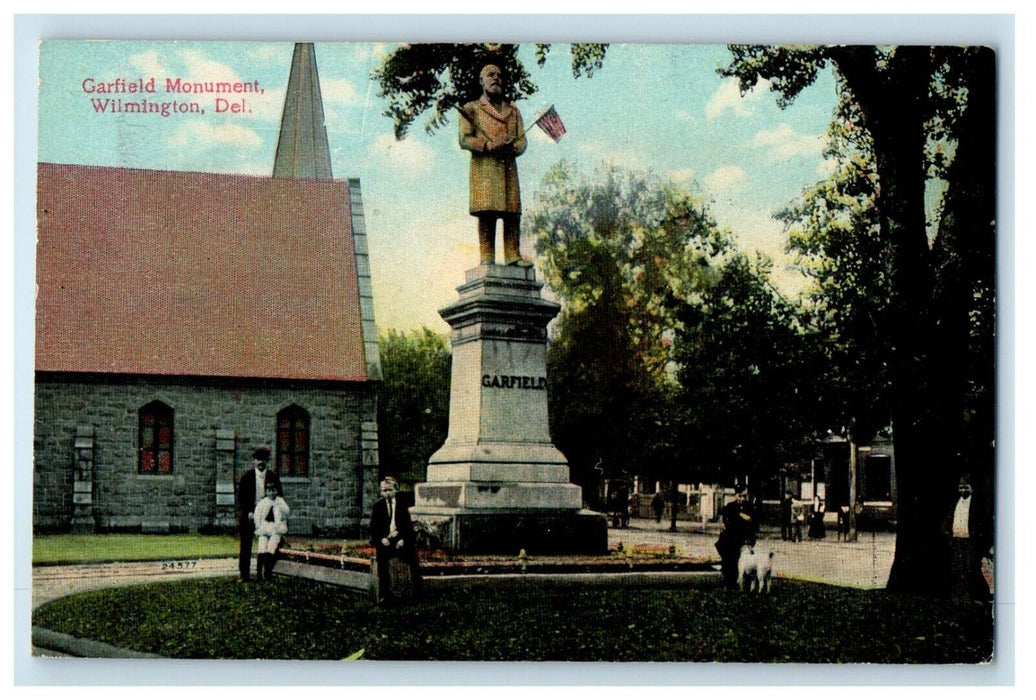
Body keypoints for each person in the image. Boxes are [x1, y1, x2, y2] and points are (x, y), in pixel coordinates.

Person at [458, 64, 530, 267]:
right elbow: (464, 139)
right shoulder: (470, 109)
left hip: (508, 168)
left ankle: (512, 255)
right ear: (481, 81)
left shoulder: (513, 111)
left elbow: (522, 141)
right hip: (485, 169)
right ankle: (487, 257)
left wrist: (511, 147)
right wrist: (487, 145)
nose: (496, 78)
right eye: (490, 75)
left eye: (499, 75)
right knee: (487, 211)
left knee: (511, 212)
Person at [369, 476, 422, 604]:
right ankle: (385, 595)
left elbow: (408, 527)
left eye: (389, 490)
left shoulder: (402, 506)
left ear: (395, 490)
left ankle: (417, 592)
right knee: (382, 562)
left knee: (413, 558)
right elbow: (373, 529)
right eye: (384, 490)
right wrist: (381, 539)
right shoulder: (377, 506)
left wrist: (403, 539)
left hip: (400, 540)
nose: (387, 493)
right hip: (385, 541)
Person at [236, 446, 282, 582]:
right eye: (258, 459)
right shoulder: (247, 477)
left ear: (267, 461)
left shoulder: (273, 477)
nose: (260, 462)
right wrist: (248, 512)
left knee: (268, 545)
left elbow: (279, 497)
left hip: (268, 517)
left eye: (263, 460)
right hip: (250, 515)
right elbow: (241, 498)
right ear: (254, 461)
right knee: (246, 545)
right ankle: (244, 574)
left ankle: (265, 573)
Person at [945, 475, 992, 602]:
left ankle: (980, 596)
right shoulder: (955, 503)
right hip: (957, 542)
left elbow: (985, 526)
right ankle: (959, 597)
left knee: (972, 569)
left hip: (970, 542)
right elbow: (948, 521)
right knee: (958, 569)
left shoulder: (978, 506)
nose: (963, 490)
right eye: (960, 487)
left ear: (971, 488)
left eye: (966, 487)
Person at [715, 485, 757, 588]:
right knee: (729, 559)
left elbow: (753, 521)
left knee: (745, 561)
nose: (742, 498)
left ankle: (745, 582)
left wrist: (744, 517)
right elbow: (722, 514)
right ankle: (729, 581)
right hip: (731, 537)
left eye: (744, 496)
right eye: (740, 495)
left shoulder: (750, 506)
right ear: (736, 495)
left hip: (744, 537)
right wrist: (722, 524)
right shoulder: (731, 506)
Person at [253, 482, 290, 582]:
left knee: (271, 547)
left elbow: (287, 511)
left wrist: (279, 506)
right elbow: (257, 516)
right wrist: (259, 526)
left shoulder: (280, 501)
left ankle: (268, 572)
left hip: (276, 529)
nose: (271, 493)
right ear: (266, 492)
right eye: (269, 491)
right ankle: (259, 573)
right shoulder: (263, 502)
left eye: (273, 491)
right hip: (264, 529)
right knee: (262, 547)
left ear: (277, 491)